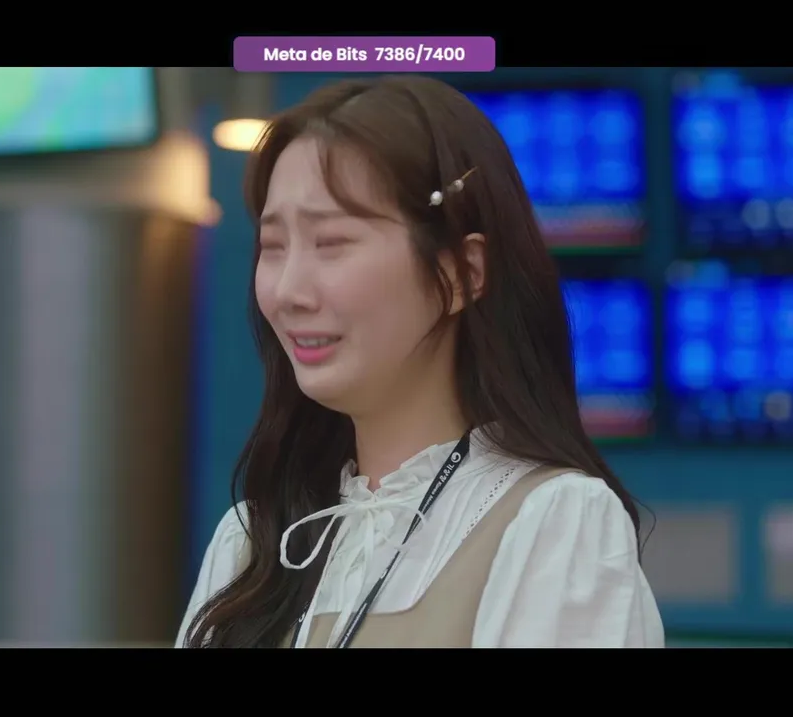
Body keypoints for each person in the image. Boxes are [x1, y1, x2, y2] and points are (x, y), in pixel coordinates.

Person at [178, 75, 664, 648]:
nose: (288, 291)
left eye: (331, 243)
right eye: (274, 246)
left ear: (462, 272)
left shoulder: (552, 523)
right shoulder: (248, 545)